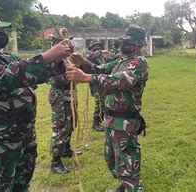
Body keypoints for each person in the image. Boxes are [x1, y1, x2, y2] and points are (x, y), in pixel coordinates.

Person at [0, 9, 71, 191]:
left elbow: (34, 72)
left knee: (21, 185)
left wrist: (60, 60)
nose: (1, 34)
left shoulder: (4, 57)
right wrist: (48, 55)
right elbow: (7, 77)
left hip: (22, 135)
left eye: (1, 30)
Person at [66, 25, 149, 192]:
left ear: (138, 45)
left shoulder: (139, 63)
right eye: (123, 42)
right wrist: (84, 62)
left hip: (125, 121)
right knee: (112, 158)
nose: (123, 45)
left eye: (128, 42)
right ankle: (124, 186)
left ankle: (133, 187)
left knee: (127, 158)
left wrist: (87, 78)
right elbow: (100, 70)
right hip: (110, 119)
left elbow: (120, 80)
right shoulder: (120, 62)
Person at [48, 26, 83, 174]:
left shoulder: (66, 56)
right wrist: (67, 77)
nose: (67, 44)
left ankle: (66, 150)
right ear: (56, 42)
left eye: (68, 42)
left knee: (71, 124)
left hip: (70, 93)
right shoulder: (52, 57)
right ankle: (55, 162)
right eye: (64, 42)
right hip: (60, 96)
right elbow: (50, 78)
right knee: (61, 127)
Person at [86, 40, 107, 132]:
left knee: (103, 103)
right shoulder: (91, 56)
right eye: (96, 47)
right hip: (96, 83)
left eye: (99, 47)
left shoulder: (101, 57)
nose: (98, 49)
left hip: (103, 81)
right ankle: (96, 123)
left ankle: (101, 120)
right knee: (99, 104)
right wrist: (100, 52)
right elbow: (89, 57)